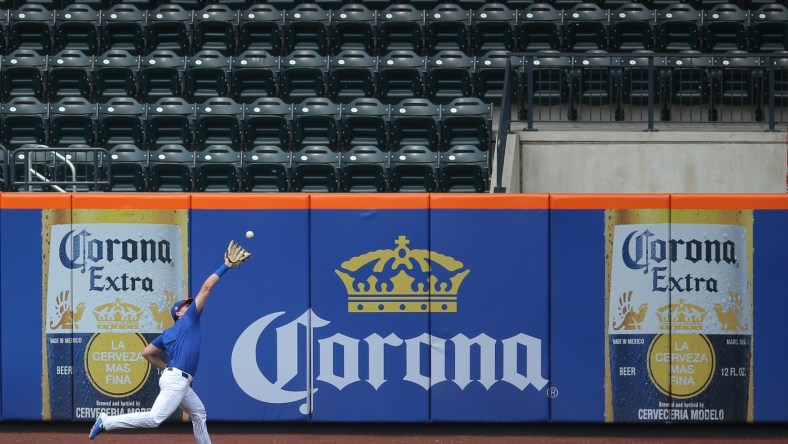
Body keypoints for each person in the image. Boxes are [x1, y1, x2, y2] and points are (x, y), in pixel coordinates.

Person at [89, 254, 238, 443]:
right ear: (179, 312)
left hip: (177, 379)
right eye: (187, 305)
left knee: (199, 413)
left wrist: (166, 368)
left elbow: (147, 353)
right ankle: (107, 421)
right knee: (154, 418)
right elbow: (207, 287)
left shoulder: (168, 332)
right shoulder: (189, 319)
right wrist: (225, 265)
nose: (191, 305)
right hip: (176, 380)